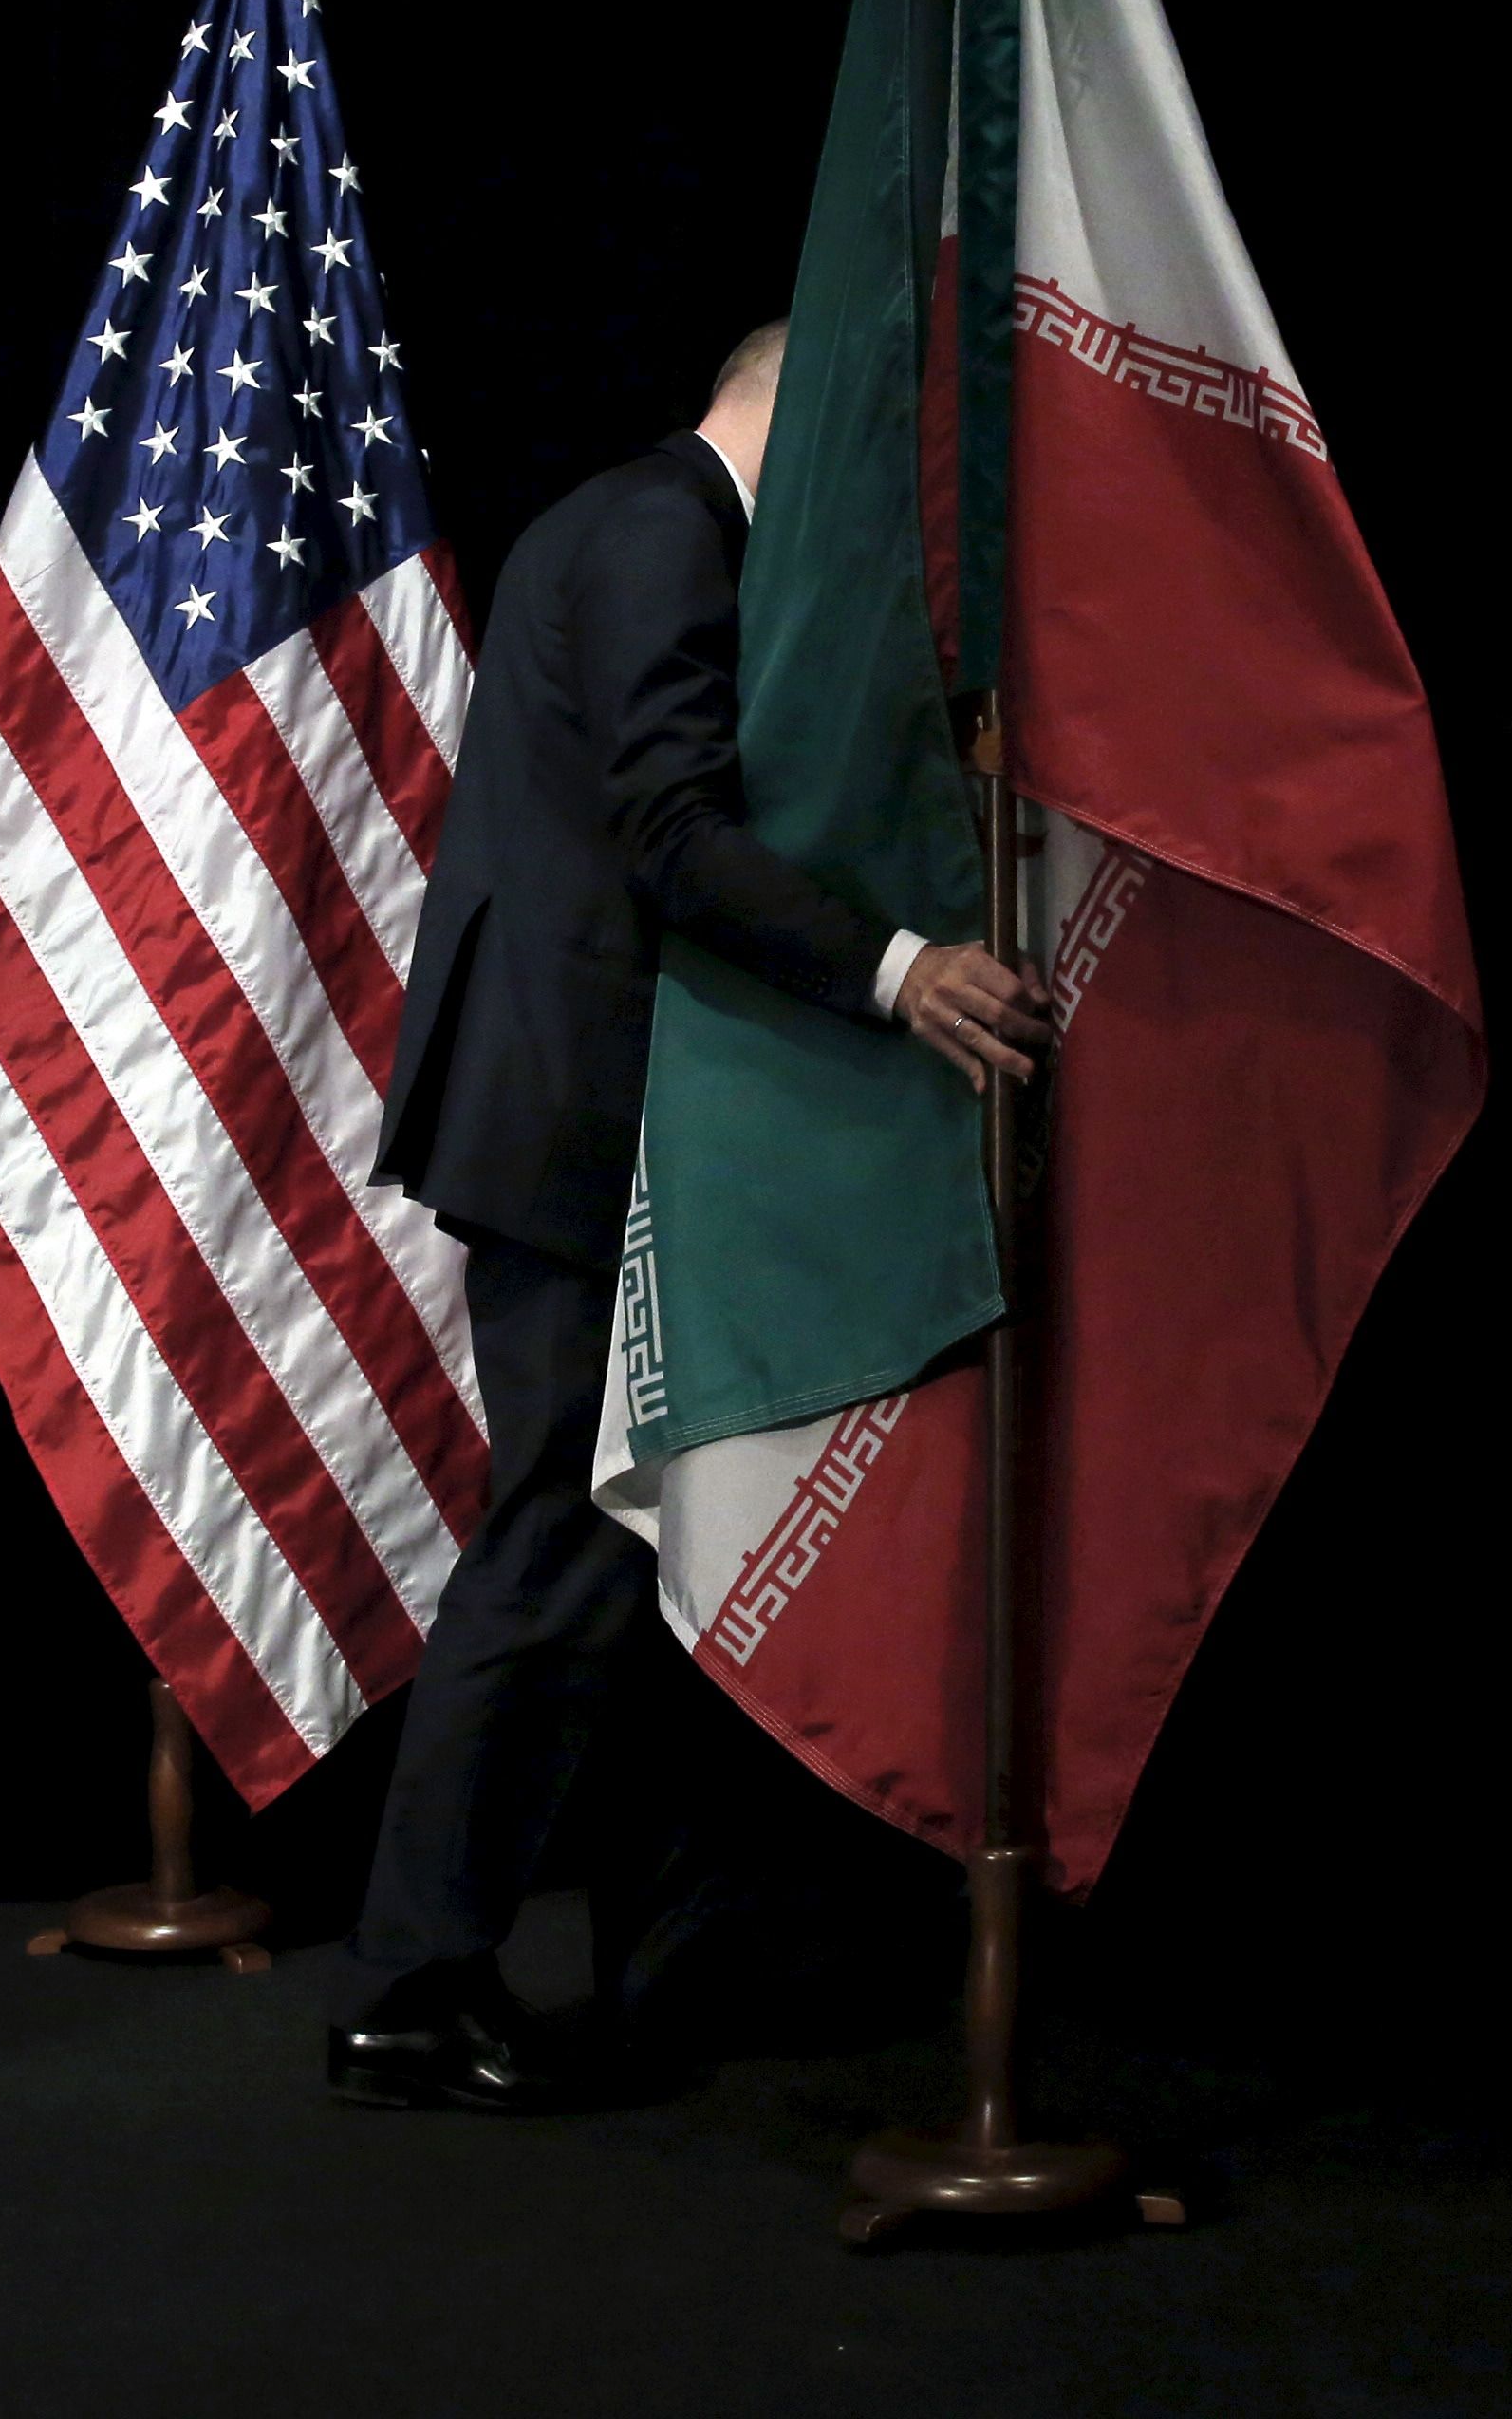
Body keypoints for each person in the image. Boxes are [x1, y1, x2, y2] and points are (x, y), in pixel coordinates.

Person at [329, 318, 1050, 2111]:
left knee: (631, 1557)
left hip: (584, 1110)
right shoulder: (667, 531)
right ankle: (409, 1988)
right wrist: (899, 967)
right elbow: (670, 830)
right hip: (573, 1119)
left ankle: (665, 1953)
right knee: (562, 1549)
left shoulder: (620, 521)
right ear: (794, 417)